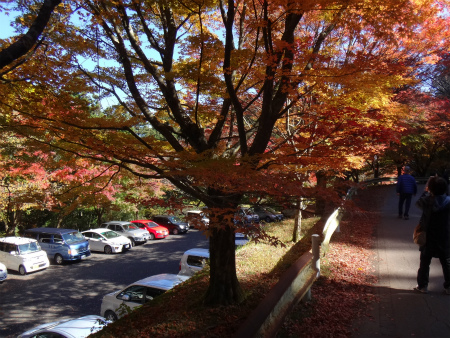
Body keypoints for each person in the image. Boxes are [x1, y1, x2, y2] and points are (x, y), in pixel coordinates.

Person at [414, 176, 450, 294]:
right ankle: (449, 286)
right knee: (446, 261)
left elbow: (418, 203)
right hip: (446, 234)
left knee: (425, 261)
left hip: (428, 234)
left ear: (430, 188)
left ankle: (423, 285)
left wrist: (425, 192)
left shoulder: (426, 201)